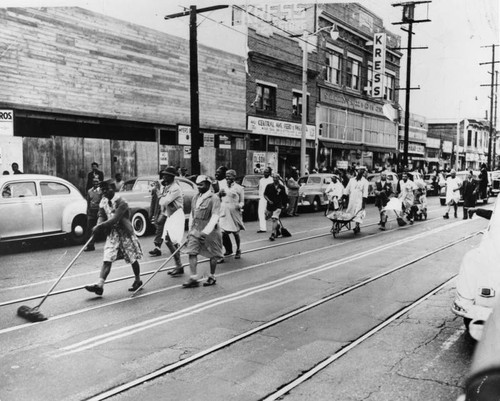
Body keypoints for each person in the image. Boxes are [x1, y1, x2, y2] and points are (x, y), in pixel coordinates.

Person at [85, 180, 143, 296]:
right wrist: (98, 225)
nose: (104, 192)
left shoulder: (122, 202)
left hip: (125, 233)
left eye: (106, 189)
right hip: (112, 234)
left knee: (132, 258)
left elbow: (115, 219)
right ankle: (100, 285)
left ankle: (138, 280)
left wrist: (100, 226)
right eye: (103, 189)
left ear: (113, 188)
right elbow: (101, 215)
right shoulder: (103, 201)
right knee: (107, 258)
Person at [182, 175, 224, 288]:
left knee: (213, 254)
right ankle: (193, 278)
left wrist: (205, 232)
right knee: (192, 251)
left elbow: (215, 217)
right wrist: (190, 230)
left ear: (208, 184)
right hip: (196, 229)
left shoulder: (214, 198)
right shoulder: (195, 197)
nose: (199, 187)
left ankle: (212, 276)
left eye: (201, 184)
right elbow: (192, 215)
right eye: (197, 184)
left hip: (210, 231)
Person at [158, 166, 185, 276]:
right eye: (163, 174)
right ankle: (178, 265)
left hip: (176, 215)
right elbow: (164, 205)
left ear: (171, 177)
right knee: (168, 240)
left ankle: (179, 265)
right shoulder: (167, 187)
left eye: (166, 175)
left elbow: (164, 202)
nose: (163, 177)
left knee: (171, 241)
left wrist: (158, 193)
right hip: (170, 215)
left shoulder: (175, 188)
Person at [219, 169, 245, 260]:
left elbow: (242, 202)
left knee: (236, 233)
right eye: (226, 176)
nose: (227, 177)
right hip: (224, 212)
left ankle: (238, 249)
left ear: (234, 177)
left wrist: (239, 206)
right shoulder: (222, 186)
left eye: (229, 175)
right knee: (221, 233)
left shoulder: (239, 188)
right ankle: (220, 254)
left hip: (234, 212)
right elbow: (218, 197)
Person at [149, 169, 172, 257]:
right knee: (160, 229)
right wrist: (151, 213)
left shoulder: (171, 188)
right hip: (158, 212)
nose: (164, 178)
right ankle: (158, 248)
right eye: (162, 176)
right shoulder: (156, 189)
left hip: (168, 212)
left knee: (165, 229)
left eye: (165, 176)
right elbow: (153, 202)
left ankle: (173, 246)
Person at [343, 166, 369, 234]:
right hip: (352, 199)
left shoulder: (365, 182)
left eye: (363, 171)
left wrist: (363, 203)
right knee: (350, 212)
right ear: (357, 172)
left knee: (358, 213)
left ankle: (357, 226)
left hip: (359, 199)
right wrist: (344, 196)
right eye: (360, 171)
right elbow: (347, 189)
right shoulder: (352, 180)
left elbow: (365, 193)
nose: (361, 172)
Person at [264, 173, 288, 241]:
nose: (275, 179)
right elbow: (265, 194)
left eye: (276, 178)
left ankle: (273, 234)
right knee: (268, 217)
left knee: (274, 219)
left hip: (278, 205)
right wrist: (268, 200)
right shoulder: (269, 186)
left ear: (278, 178)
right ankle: (278, 228)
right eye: (273, 178)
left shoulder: (281, 187)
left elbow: (284, 197)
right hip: (270, 205)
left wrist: (285, 205)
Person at [84, 177, 102, 252]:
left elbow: (102, 202)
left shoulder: (100, 191)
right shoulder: (89, 191)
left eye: (97, 182)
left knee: (99, 228)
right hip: (91, 212)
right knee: (89, 229)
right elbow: (88, 202)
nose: (95, 183)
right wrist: (87, 212)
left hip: (98, 212)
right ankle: (90, 245)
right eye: (94, 182)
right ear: (92, 183)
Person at [257, 167, 273, 233]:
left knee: (272, 213)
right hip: (262, 198)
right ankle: (262, 228)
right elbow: (260, 190)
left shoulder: (272, 180)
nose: (265, 173)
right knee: (261, 212)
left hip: (270, 198)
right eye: (264, 172)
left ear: (269, 173)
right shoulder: (261, 180)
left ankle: (277, 227)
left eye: (267, 172)